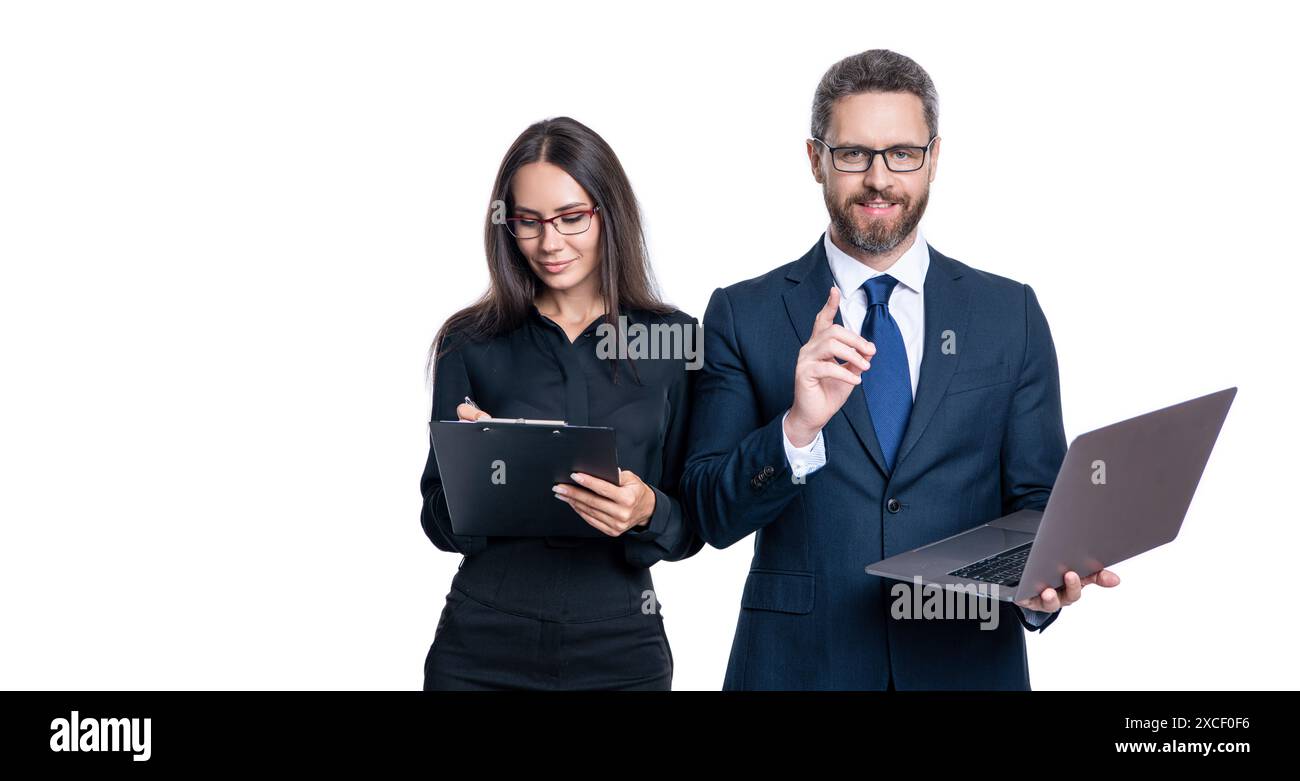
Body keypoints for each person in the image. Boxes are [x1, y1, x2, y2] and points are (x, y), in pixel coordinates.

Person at [681, 49, 1120, 690]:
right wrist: (796, 429)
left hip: (964, 663)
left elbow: (1036, 501)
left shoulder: (1009, 313)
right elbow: (708, 512)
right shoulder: (742, 314)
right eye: (853, 154)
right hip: (799, 667)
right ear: (815, 160)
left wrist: (1043, 580)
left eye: (902, 154)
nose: (879, 178)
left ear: (934, 158)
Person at [419, 116, 703, 690]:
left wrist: (648, 509)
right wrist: (473, 470)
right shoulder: (469, 342)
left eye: (572, 219)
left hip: (621, 645)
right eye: (528, 223)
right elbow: (435, 519)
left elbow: (694, 520)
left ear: (609, 212)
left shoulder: (678, 342)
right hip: (482, 642)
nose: (550, 244)